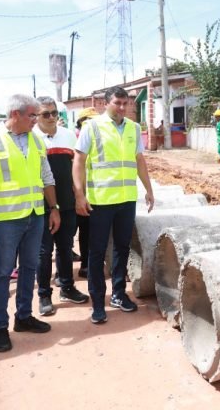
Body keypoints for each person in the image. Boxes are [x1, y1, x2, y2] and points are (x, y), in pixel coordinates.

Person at [0, 94, 60, 352]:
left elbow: (46, 177)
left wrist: (53, 209)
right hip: (6, 221)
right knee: (3, 273)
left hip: (35, 216)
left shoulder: (36, 139)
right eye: (32, 115)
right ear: (15, 114)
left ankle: (24, 317)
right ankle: (0, 327)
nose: (36, 120)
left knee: (30, 267)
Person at [73, 86, 155, 324]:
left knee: (122, 248)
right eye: (117, 103)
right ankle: (98, 302)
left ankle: (118, 294)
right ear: (106, 103)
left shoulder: (133, 128)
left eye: (125, 103)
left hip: (126, 199)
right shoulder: (92, 127)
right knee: (97, 253)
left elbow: (139, 160)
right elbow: (78, 161)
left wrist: (148, 189)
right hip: (100, 201)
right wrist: (79, 195)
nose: (121, 107)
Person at [33, 97, 89, 316]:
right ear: (36, 116)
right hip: (41, 206)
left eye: (54, 113)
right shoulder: (31, 137)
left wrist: (80, 195)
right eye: (45, 114)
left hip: (67, 203)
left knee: (65, 248)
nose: (51, 118)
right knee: (43, 252)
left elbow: (77, 168)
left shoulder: (68, 136)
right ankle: (44, 295)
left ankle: (67, 287)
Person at [74, 107, 98, 278]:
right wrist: (78, 194)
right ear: (80, 123)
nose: (90, 124)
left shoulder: (96, 141)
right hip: (73, 194)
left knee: (88, 232)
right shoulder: (72, 140)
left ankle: (87, 264)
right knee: (68, 234)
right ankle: (63, 271)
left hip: (93, 195)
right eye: (87, 121)